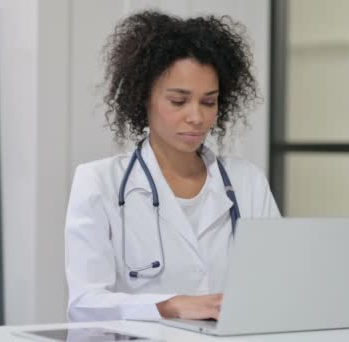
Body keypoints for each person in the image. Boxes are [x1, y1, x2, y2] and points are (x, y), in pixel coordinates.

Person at [64, 10, 280, 323]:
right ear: (143, 98)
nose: (197, 117)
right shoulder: (99, 182)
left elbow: (276, 283)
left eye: (209, 102)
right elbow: (85, 303)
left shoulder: (246, 181)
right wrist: (171, 306)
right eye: (178, 101)